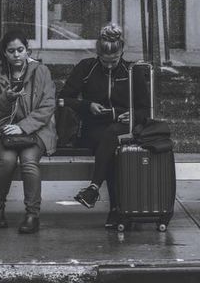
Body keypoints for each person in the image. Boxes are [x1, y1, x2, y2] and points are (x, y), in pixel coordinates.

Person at [58, 23, 150, 228]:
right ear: (97, 54)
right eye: (105, 61)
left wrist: (131, 115)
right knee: (110, 148)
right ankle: (116, 210)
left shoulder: (132, 71)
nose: (109, 66)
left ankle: (94, 188)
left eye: (114, 61)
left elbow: (146, 109)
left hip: (125, 127)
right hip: (94, 127)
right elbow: (64, 99)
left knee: (111, 139)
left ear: (122, 52)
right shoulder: (86, 67)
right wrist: (87, 105)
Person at [0, 29, 57, 234]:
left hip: (36, 131)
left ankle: (32, 215)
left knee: (28, 161)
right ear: (4, 53)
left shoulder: (41, 71)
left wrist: (23, 126)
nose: (16, 55)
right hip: (5, 131)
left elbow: (47, 106)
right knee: (6, 161)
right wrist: (5, 98)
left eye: (20, 50)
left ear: (27, 51)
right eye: (11, 51)